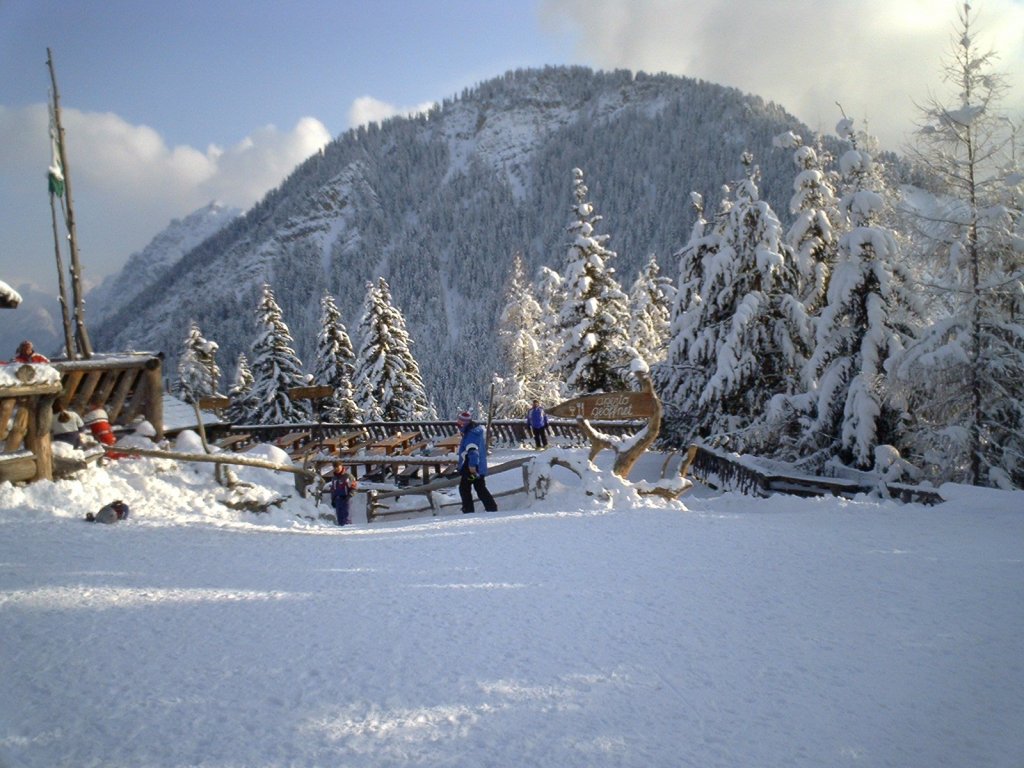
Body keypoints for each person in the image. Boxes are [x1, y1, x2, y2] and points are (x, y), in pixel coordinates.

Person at [455, 410, 497, 514]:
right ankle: (491, 507)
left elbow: (473, 451)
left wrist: (472, 466)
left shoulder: (471, 434)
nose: (458, 424)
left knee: (464, 488)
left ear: (464, 423)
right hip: (477, 465)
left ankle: (468, 510)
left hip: (470, 466)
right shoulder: (473, 431)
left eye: (459, 422)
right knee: (479, 487)